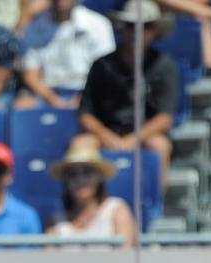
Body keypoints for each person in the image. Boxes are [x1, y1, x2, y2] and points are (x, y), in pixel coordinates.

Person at [73, 0, 176, 191]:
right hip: (106, 133)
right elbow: (85, 113)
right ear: (122, 29)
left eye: (145, 27)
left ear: (155, 30)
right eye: (131, 26)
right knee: (81, 144)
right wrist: (107, 136)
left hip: (145, 134)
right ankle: (84, 201)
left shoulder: (165, 66)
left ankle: (155, 203)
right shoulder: (102, 65)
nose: (136, 33)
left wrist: (134, 139)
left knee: (160, 146)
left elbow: (165, 118)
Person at [13, 0, 114, 110]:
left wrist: (83, 98)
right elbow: (31, 75)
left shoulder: (98, 24)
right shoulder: (34, 27)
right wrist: (53, 99)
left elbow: (105, 70)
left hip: (88, 91)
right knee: (22, 106)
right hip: (48, 92)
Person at [46, 143, 135, 246]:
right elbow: (47, 257)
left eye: (87, 172)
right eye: (73, 174)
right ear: (65, 180)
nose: (80, 180)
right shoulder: (56, 221)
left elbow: (126, 255)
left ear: (99, 177)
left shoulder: (116, 210)